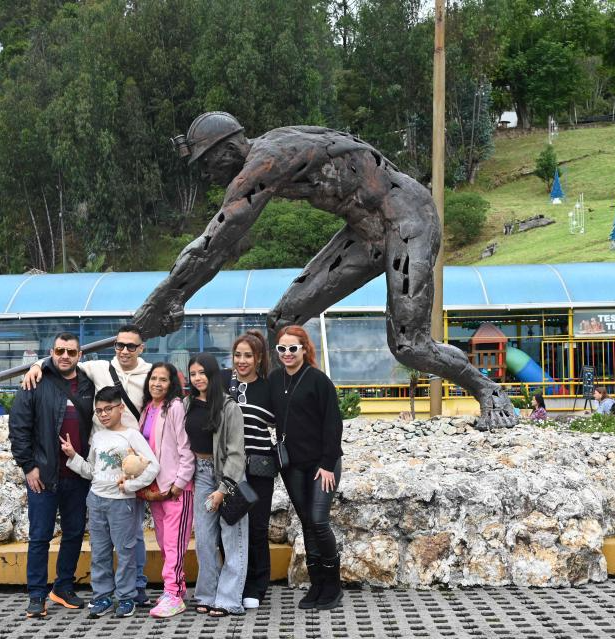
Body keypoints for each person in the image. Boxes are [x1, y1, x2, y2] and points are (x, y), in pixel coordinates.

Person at [132, 112, 517, 431]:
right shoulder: (269, 148)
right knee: (284, 319)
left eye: (208, 163)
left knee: (409, 345)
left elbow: (214, 242)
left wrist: (159, 305)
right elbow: (220, 248)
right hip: (365, 231)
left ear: (229, 148)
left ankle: (488, 391)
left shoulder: (266, 161)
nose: (207, 174)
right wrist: (172, 299)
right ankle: (281, 411)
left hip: (407, 220)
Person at [21, 323, 152, 606]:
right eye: (120, 345)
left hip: (116, 468)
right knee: (49, 536)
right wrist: (37, 364)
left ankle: (130, 590)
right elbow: (19, 427)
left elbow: (164, 396)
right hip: (63, 470)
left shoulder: (140, 374)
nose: (125, 350)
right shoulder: (88, 372)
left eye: (131, 346)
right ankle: (40, 595)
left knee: (124, 536)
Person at [8, 332, 95, 619]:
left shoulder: (87, 384)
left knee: (73, 533)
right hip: (43, 474)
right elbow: (19, 428)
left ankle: (64, 586)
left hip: (77, 473)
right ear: (51, 352)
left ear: (79, 355)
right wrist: (28, 466)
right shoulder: (34, 383)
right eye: (60, 351)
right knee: (40, 536)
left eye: (71, 351)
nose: (65, 356)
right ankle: (36, 595)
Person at [61, 385, 160, 618]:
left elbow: (153, 466)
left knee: (126, 551)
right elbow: (92, 471)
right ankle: (102, 595)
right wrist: (73, 456)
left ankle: (126, 597)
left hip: (121, 502)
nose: (104, 414)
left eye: (108, 409)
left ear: (121, 408)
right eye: (99, 411)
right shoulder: (98, 436)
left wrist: (132, 486)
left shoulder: (132, 435)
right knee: (100, 551)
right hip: (96, 500)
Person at [269, 325, 345, 611]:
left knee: (318, 520)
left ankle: (333, 585)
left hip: (322, 464)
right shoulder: (275, 380)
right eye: (282, 349)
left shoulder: (318, 380)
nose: (287, 353)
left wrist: (327, 464)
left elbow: (332, 424)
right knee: (306, 523)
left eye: (293, 348)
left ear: (304, 349)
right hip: (292, 465)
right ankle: (317, 584)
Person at [185, 352, 248, 616]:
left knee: (233, 538)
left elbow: (236, 453)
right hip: (200, 474)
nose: (198, 378)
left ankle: (229, 599)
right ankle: (207, 594)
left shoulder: (228, 407)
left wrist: (223, 489)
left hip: (227, 476)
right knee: (204, 539)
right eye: (193, 373)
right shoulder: (188, 403)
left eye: (203, 373)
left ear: (213, 374)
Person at [221, 330, 278, 610]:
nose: (241, 361)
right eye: (238, 355)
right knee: (228, 525)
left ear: (258, 359)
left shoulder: (268, 388)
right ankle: (234, 581)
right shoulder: (223, 384)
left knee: (256, 528)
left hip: (258, 469)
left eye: (248, 356)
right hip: (228, 471)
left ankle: (257, 584)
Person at [138, 362, 195, 618]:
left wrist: (178, 484)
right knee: (164, 543)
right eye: (153, 378)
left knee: (174, 544)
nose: (157, 383)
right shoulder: (148, 408)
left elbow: (186, 450)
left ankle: (173, 593)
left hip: (175, 490)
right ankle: (175, 588)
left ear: (172, 383)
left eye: (163, 379)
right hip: (155, 490)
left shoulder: (175, 407)